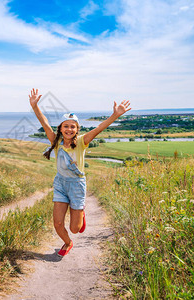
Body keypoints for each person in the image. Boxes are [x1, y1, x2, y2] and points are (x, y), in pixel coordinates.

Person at [29, 88, 131, 256]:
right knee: (57, 224)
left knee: (75, 228)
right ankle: (67, 243)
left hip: (77, 185)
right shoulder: (56, 141)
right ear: (61, 128)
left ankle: (80, 215)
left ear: (77, 129)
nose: (69, 129)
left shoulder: (83, 142)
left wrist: (115, 115)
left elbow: (99, 128)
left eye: (73, 127)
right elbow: (44, 122)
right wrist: (35, 107)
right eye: (66, 126)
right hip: (61, 183)